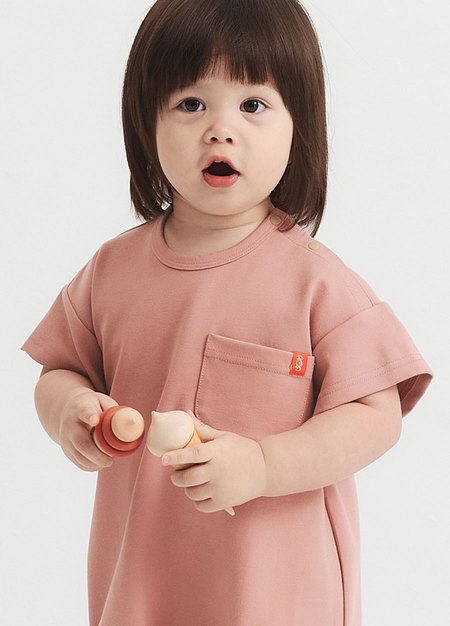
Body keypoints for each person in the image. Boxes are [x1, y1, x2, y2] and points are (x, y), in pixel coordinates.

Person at [21, 1, 433, 624]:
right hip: (142, 588)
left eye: (253, 104)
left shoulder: (316, 281)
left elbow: (377, 416)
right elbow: (59, 370)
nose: (220, 129)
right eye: (191, 104)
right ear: (145, 123)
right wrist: (71, 413)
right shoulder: (112, 270)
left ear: (300, 127)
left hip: (277, 596)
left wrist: (265, 466)